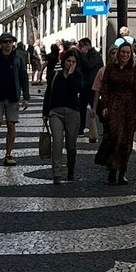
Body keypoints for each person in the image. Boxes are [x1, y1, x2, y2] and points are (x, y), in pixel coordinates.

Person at [93, 41, 136, 183]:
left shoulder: (135, 69)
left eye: (128, 53)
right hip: (114, 106)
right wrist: (104, 106)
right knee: (113, 138)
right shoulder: (110, 68)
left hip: (130, 108)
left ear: (131, 54)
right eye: (123, 52)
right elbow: (105, 88)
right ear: (119, 53)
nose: (125, 55)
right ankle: (112, 167)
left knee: (126, 141)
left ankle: (121, 172)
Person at [0, 31, 30, 165]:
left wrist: (26, 97)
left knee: (11, 124)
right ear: (0, 44)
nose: (8, 44)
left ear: (13, 43)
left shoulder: (18, 58)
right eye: (5, 42)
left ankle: (8, 154)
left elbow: (24, 77)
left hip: (13, 96)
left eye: (10, 42)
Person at [42, 48, 84, 184]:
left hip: (73, 113)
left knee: (71, 146)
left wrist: (71, 75)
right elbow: (48, 93)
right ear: (64, 61)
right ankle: (57, 174)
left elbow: (78, 89)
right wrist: (45, 113)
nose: (70, 64)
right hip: (56, 113)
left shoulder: (78, 76)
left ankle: (71, 168)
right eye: (68, 61)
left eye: (73, 62)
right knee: (58, 142)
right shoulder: (55, 75)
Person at [76, 37, 104, 144]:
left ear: (87, 45)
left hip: (91, 86)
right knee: (81, 107)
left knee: (96, 107)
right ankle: (80, 129)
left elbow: (88, 65)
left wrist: (82, 54)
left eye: (81, 46)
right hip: (85, 85)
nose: (80, 48)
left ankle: (106, 126)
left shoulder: (94, 55)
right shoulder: (89, 55)